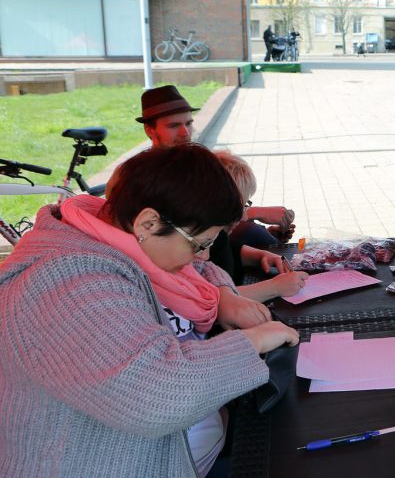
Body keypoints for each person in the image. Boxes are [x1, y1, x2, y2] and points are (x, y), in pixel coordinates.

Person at [0, 144, 299, 476]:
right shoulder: (67, 287)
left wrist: (222, 295)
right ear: (149, 223)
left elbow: (196, 271)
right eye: (200, 244)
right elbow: (156, 398)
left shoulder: (113, 228)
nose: (203, 257)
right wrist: (253, 342)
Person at [138, 85, 296, 250]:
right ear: (149, 129)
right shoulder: (143, 176)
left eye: (188, 123)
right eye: (173, 125)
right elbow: (183, 228)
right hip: (182, 259)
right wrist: (254, 213)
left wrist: (267, 235)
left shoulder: (195, 161)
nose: (185, 132)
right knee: (251, 232)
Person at [212, 149, 308, 300]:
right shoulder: (201, 248)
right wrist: (275, 287)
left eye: (246, 205)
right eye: (241, 206)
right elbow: (213, 300)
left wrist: (260, 255)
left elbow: (227, 250)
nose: (244, 215)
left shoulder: (218, 236)